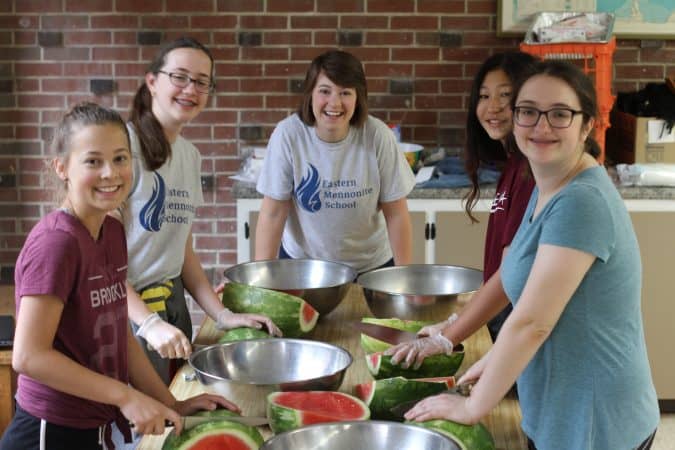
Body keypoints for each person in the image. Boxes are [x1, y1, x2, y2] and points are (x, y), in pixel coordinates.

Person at [386, 61, 659, 450]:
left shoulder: (582, 201)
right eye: (528, 111)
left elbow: (532, 322)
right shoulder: (545, 182)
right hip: (556, 407)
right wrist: (458, 342)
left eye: (560, 114)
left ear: (587, 126)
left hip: (595, 421)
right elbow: (513, 271)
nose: (541, 126)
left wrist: (471, 409)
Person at [0, 103, 237, 450]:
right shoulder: (55, 244)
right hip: (49, 431)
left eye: (121, 159)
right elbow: (28, 357)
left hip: (96, 426)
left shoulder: (111, 232)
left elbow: (119, 334)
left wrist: (170, 402)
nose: (110, 173)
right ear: (62, 167)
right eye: (93, 161)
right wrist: (124, 396)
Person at [121, 37, 280, 385]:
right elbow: (99, 263)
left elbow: (183, 251)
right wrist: (147, 324)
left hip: (171, 308)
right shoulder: (123, 148)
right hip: (126, 313)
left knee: (172, 413)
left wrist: (221, 316)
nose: (190, 89)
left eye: (201, 81)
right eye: (179, 77)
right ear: (152, 82)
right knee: (138, 431)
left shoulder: (190, 156)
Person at [254, 50, 415, 273]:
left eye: (345, 93)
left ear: (358, 97)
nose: (334, 102)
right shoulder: (288, 135)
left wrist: (404, 277)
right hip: (304, 266)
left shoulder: (377, 135)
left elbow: (396, 214)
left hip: (371, 266)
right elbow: (272, 214)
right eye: (325, 91)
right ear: (310, 93)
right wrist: (261, 280)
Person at [463, 52, 538, 343]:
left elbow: (510, 273)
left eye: (505, 95)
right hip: (502, 316)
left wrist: (450, 332)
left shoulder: (529, 172)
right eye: (483, 96)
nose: (492, 107)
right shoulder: (513, 164)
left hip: (517, 323)